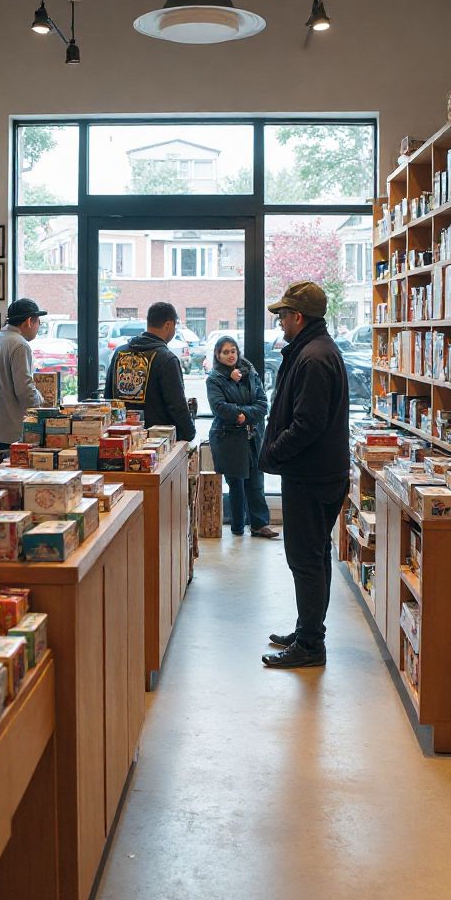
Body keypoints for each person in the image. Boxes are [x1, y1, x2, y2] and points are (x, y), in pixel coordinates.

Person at [258, 281, 350, 669]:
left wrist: (273, 454)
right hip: (318, 474)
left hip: (310, 478)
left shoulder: (312, 357)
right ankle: (309, 629)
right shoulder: (315, 350)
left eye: (282, 316)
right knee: (315, 556)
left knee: (305, 559)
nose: (279, 322)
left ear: (298, 317)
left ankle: (311, 645)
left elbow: (307, 423)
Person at [206, 336, 278, 539]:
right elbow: (219, 407)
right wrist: (242, 413)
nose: (230, 355)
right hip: (228, 437)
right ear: (217, 355)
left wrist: (243, 415)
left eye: (233, 351)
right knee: (236, 482)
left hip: (253, 436)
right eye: (225, 352)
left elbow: (263, 404)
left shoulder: (250, 373)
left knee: (256, 480)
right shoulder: (215, 378)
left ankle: (259, 525)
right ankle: (237, 527)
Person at [0, 298, 46, 466]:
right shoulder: (20, 345)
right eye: (38, 322)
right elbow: (25, 390)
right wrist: (41, 412)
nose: (38, 328)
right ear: (29, 321)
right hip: (9, 436)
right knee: (9, 489)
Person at [104, 302, 196, 442]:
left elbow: (108, 397)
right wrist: (189, 432)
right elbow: (176, 405)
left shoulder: (120, 352)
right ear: (168, 325)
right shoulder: (167, 359)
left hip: (121, 436)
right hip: (157, 441)